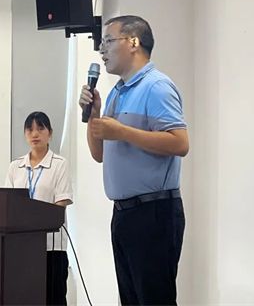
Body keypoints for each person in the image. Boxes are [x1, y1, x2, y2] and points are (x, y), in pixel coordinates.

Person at [78, 15, 189, 305]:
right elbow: (99, 154)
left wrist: (123, 132)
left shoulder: (156, 87)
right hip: (124, 214)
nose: (102, 49)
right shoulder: (117, 92)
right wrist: (94, 115)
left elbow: (180, 143)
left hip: (154, 213)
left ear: (133, 42)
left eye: (108, 41)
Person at [4, 111, 73, 306]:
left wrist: (36, 219)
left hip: (51, 246)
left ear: (50, 133)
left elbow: (61, 202)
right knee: (24, 297)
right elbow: (8, 203)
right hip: (21, 245)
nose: (35, 134)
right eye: (30, 129)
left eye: (40, 129)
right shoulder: (15, 167)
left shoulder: (59, 164)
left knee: (53, 298)